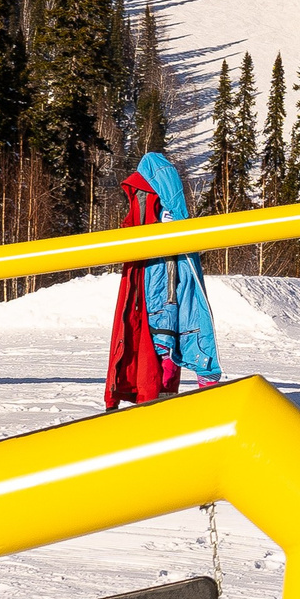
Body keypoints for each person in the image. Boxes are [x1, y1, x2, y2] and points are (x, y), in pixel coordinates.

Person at [102, 152, 224, 408]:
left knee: (164, 349)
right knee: (157, 350)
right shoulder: (144, 222)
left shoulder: (173, 227)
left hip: (165, 298)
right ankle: (155, 403)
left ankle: (159, 404)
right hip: (153, 297)